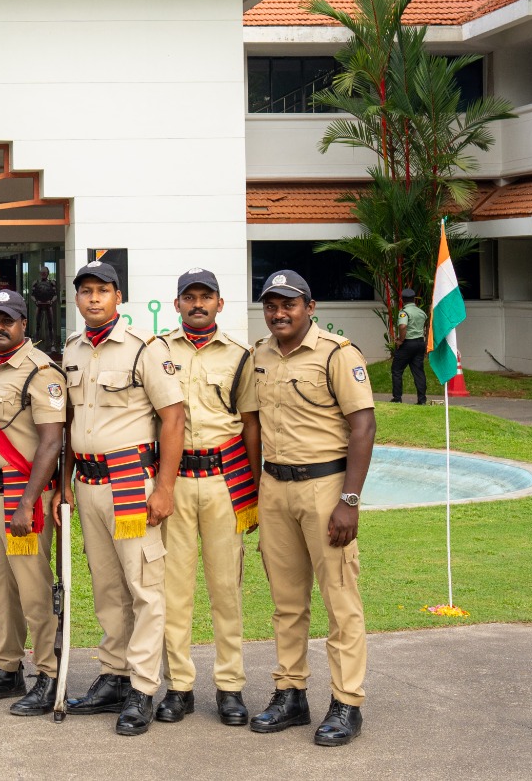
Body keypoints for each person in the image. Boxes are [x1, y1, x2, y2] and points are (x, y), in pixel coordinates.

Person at [250, 270, 376, 748]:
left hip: (325, 488)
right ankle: (290, 692)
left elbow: (363, 427)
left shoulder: (337, 354)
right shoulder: (259, 354)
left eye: (290, 304)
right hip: (275, 487)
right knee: (286, 601)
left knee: (340, 601)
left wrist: (349, 500)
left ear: (310, 306)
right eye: (272, 305)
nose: (280, 313)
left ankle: (347, 702)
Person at [60, 260, 185, 736]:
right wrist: (64, 483)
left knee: (144, 588)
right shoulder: (72, 350)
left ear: (118, 297)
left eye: (102, 291)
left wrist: (166, 487)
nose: (93, 298)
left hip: (131, 481)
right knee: (108, 587)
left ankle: (142, 687)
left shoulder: (144, 350)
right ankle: (113, 674)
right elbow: (69, 421)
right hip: (87, 485)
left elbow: (173, 418)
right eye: (85, 291)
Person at [157, 268, 259, 727]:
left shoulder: (241, 356)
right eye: (189, 297)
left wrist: (254, 491)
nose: (197, 304)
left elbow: (251, 425)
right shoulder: (157, 352)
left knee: (226, 589)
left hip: (224, 480)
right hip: (173, 482)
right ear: (177, 303)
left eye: (206, 296)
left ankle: (230, 686)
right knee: (173, 591)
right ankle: (178, 686)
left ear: (220, 303)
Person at [0, 289, 68, 716]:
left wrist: (26, 503)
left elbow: (51, 441)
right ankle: (8, 668)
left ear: (24, 324)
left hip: (22, 499)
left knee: (33, 590)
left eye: (8, 319)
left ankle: (47, 674)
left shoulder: (42, 373)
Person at [389, 288, 428, 405]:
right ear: (414, 299)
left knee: (396, 370)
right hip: (420, 343)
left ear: (402, 299)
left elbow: (402, 326)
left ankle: (397, 398)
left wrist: (401, 340)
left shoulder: (404, 312)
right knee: (418, 372)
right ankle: (422, 400)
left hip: (408, 344)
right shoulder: (421, 312)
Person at [29, 267, 60, 345]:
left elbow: (55, 295)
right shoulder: (36, 283)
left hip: (48, 305)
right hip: (39, 305)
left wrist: (51, 301)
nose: (43, 274)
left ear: (47, 273)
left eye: (45, 273)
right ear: (40, 273)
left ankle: (52, 344)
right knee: (37, 325)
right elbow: (32, 295)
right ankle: (35, 343)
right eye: (42, 272)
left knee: (50, 325)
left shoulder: (52, 283)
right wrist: (36, 301)